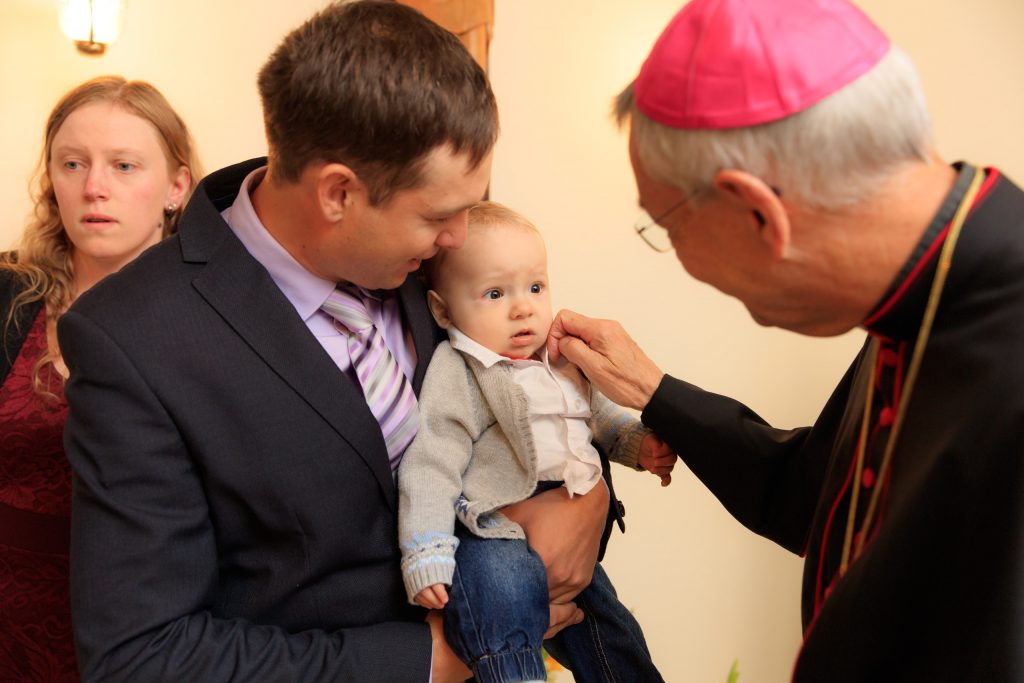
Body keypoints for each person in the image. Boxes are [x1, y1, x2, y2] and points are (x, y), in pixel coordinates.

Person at [58, 3, 612, 682]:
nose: (459, 237)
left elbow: (523, 385)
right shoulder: (133, 338)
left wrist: (588, 502)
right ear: (338, 194)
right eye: (438, 216)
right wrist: (428, 663)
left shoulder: (432, 263)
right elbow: (142, 655)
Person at [549, 0, 1024, 680]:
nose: (679, 256)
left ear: (757, 211)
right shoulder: (928, 291)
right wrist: (654, 392)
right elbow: (817, 498)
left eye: (667, 226)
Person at [398, 201, 673, 683]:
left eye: (535, 287)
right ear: (442, 309)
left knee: (609, 628)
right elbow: (432, 460)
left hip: (568, 514)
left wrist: (636, 445)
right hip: (491, 524)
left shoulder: (561, 357)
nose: (523, 307)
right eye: (495, 293)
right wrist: (427, 549)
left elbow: (598, 417)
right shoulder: (461, 370)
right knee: (501, 598)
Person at [0, 75, 197, 682]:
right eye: (73, 164)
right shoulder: (8, 295)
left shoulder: (212, 317)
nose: (93, 187)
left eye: (124, 165)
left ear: (176, 187)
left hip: (149, 632)